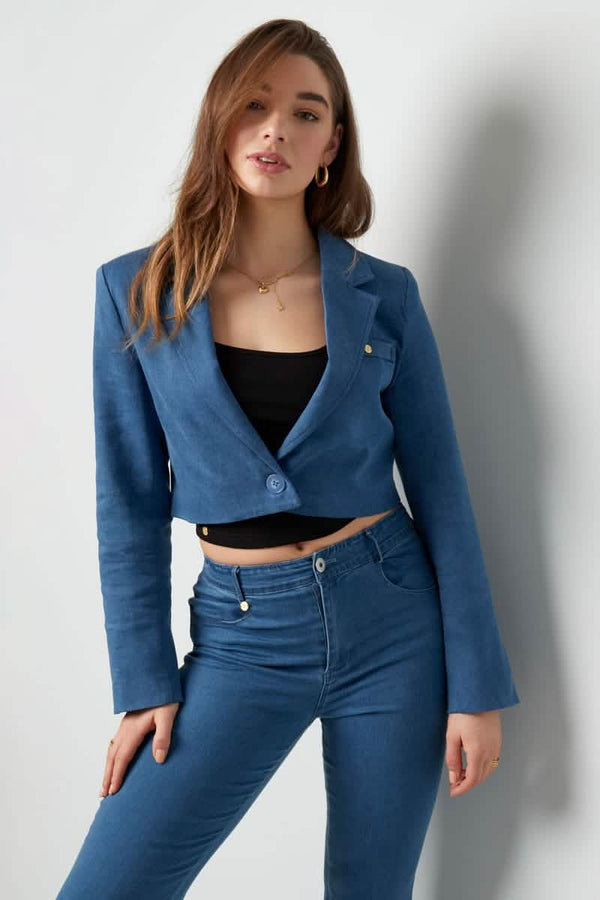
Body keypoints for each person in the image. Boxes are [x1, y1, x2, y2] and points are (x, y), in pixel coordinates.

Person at [57, 17, 520, 899]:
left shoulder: (384, 295)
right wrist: (144, 681)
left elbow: (442, 491)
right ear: (221, 120)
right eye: (255, 105)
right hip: (242, 636)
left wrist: (476, 687)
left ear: (331, 145)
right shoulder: (136, 289)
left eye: (306, 113)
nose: (277, 129)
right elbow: (128, 500)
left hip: (393, 622)